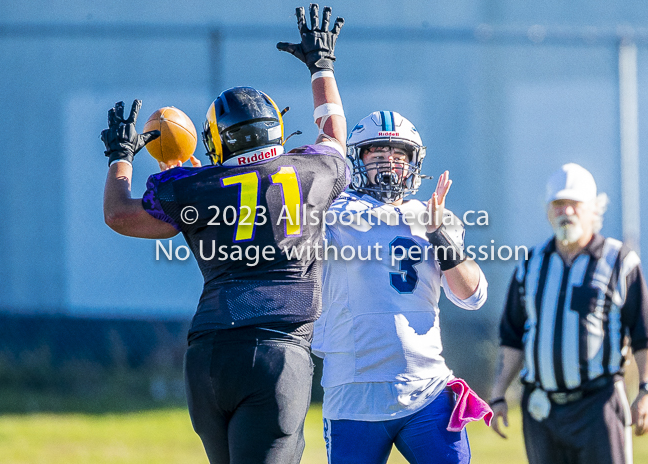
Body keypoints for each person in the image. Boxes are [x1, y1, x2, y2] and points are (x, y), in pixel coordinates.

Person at [100, 5, 347, 463]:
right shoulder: (312, 169)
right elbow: (333, 133)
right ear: (275, 124)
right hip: (277, 351)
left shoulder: (192, 186)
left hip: (207, 358)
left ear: (217, 139)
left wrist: (121, 156)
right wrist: (322, 67)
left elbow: (119, 215)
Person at [312, 111, 490, 464]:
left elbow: (474, 297)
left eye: (398, 157)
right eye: (377, 157)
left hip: (426, 389)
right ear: (358, 162)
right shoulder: (331, 214)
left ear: (414, 164)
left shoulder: (434, 215)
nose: (389, 166)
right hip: (353, 393)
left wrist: (440, 234)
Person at [489, 163, 648, 464]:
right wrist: (498, 394)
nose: (567, 212)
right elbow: (512, 336)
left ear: (593, 209)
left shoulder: (620, 261)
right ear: (548, 210)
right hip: (542, 409)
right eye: (559, 204)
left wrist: (645, 389)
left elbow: (643, 335)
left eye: (575, 204)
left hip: (598, 405)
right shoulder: (530, 263)